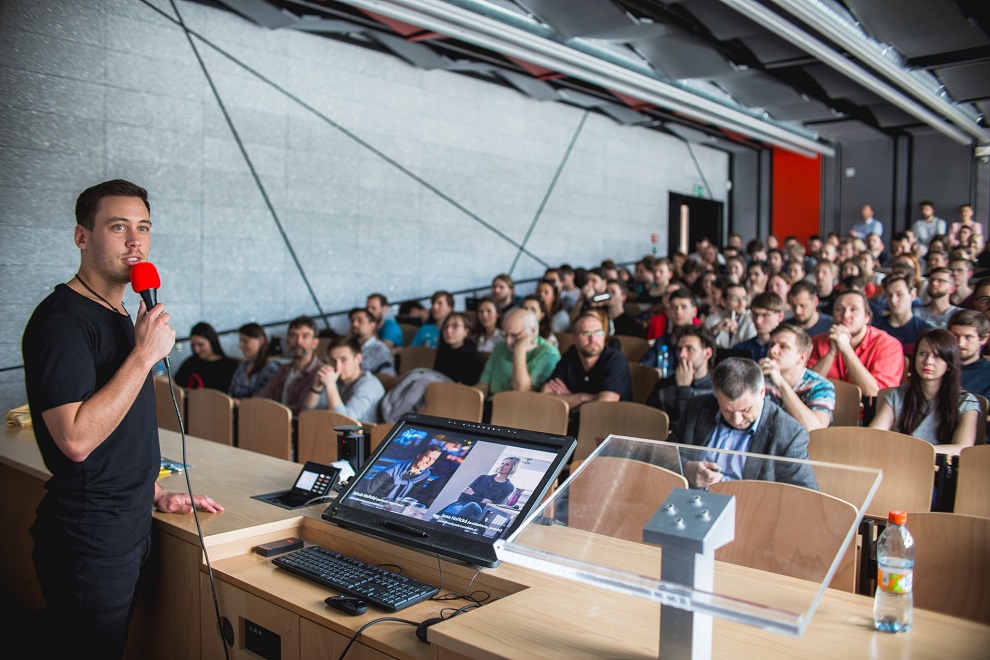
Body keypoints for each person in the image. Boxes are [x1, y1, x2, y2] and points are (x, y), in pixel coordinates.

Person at [21, 179, 223, 658]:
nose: (135, 241)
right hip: (90, 535)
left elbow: (117, 426)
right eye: (118, 227)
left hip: (127, 518)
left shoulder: (115, 313)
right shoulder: (62, 320)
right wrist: (143, 357)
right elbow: (75, 440)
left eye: (143, 228)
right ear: (82, 237)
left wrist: (152, 490)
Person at [669, 358, 817, 490]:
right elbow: (661, 454)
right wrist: (686, 469)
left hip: (751, 511)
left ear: (762, 392)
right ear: (715, 396)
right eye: (726, 410)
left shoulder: (789, 434)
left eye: (745, 409)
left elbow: (804, 493)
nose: (737, 420)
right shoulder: (697, 407)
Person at [870, 329, 978, 454]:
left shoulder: (966, 402)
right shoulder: (898, 395)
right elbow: (874, 436)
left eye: (937, 356)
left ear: (949, 364)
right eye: (922, 353)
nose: (928, 362)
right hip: (899, 463)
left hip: (939, 468)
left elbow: (962, 448)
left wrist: (916, 453)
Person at [542, 310, 631, 425]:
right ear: (573, 339)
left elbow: (603, 406)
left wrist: (569, 398)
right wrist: (585, 398)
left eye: (598, 332)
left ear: (604, 335)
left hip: (613, 425)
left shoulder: (616, 360)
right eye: (586, 333)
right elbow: (545, 398)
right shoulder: (570, 356)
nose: (593, 339)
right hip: (572, 426)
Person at [808, 290, 904, 397]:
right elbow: (807, 387)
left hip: (868, 412)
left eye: (853, 309)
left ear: (866, 317)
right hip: (821, 409)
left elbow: (876, 394)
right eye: (839, 309)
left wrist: (846, 349)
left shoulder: (889, 345)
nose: (845, 315)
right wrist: (831, 353)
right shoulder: (817, 341)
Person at [760, 324, 835, 431]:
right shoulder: (761, 379)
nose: (773, 351)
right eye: (771, 345)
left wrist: (780, 383)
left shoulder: (821, 386)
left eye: (783, 346)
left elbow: (816, 429)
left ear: (802, 357)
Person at [477, 308, 560, 396]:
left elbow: (521, 393)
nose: (508, 342)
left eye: (514, 335)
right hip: (493, 403)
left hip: (521, 407)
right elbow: (484, 384)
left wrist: (519, 351)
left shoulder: (548, 354)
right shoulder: (501, 345)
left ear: (533, 331)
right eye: (505, 335)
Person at [304, 335, 384, 423]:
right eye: (333, 361)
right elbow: (306, 417)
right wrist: (317, 386)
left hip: (365, 435)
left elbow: (344, 423)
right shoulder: (336, 379)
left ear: (358, 358)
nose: (338, 367)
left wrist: (330, 385)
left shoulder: (369, 385)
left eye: (344, 360)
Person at [645, 325, 716, 424]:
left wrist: (683, 389)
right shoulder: (663, 386)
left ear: (707, 353)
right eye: (679, 349)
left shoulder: (716, 391)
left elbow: (690, 428)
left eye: (690, 349)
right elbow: (648, 422)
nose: (682, 355)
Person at [259, 315, 324, 416]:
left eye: (305, 336)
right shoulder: (283, 369)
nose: (298, 342)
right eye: (293, 335)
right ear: (287, 341)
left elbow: (302, 411)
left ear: (315, 343)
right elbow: (264, 396)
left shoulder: (320, 373)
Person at [437, 457, 520, 522]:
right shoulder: (483, 477)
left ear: (512, 468)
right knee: (452, 514)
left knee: (472, 504)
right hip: (461, 504)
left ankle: (448, 524)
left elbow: (493, 506)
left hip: (479, 511)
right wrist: (483, 500)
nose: (502, 466)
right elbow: (462, 497)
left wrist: (473, 495)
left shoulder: (509, 487)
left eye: (507, 464)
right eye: (502, 463)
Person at [871, 273, 932, 356]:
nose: (893, 300)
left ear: (912, 295)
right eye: (889, 295)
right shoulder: (875, 328)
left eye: (899, 294)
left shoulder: (924, 330)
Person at [360, 443, 443, 501]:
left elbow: (411, 496)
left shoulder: (425, 475)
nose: (429, 462)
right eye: (428, 457)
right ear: (419, 455)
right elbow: (368, 490)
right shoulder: (393, 469)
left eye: (434, 459)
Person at [173, 321, 239, 392]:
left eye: (201, 345)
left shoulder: (229, 367)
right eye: (193, 345)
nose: (196, 350)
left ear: (211, 342)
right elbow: (175, 385)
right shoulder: (191, 362)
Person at [228, 322, 280, 400]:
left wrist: (240, 403)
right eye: (240, 341)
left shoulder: (270, 369)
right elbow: (231, 391)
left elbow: (261, 399)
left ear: (261, 340)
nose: (241, 346)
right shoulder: (243, 366)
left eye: (246, 341)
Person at [948, 310, 990, 400]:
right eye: (955, 336)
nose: (960, 343)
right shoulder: (938, 365)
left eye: (968, 337)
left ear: (983, 339)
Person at [433, 312, 485, 385]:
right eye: (446, 326)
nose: (448, 330)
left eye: (455, 326)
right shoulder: (441, 353)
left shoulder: (473, 358)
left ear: (467, 332)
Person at [732, 292, 785, 361]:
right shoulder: (740, 349)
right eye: (755, 315)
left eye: (765, 315)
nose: (758, 321)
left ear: (780, 316)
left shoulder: (786, 351)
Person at [706, 282, 757, 349]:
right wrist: (715, 330)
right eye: (735, 298)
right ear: (724, 301)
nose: (741, 303)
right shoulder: (712, 320)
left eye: (744, 298)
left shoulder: (751, 320)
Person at [348, 308, 396, 376]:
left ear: (372, 325)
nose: (354, 324)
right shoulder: (347, 347)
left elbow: (387, 378)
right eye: (352, 321)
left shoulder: (380, 350)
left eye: (360, 321)